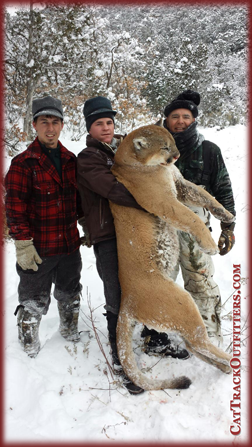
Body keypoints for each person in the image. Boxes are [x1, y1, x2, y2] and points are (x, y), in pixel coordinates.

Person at [76, 96, 188, 395]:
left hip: (138, 231)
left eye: (109, 122)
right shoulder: (89, 158)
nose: (106, 128)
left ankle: (156, 338)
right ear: (89, 127)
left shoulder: (122, 150)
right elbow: (113, 189)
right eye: (99, 123)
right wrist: (152, 202)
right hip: (109, 236)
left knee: (151, 282)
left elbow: (153, 170)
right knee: (117, 293)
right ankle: (121, 358)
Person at [5, 95, 83, 358]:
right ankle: (28, 345)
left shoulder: (71, 160)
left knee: (70, 292)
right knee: (32, 299)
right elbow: (14, 207)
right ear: (35, 125)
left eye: (55, 122)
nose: (50, 128)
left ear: (62, 125)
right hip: (39, 248)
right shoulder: (23, 163)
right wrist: (23, 244)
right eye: (44, 122)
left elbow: (80, 203)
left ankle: (70, 331)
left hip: (69, 245)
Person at [162, 89, 236, 347]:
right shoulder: (156, 150)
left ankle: (209, 337)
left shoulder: (208, 150)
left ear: (194, 120)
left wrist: (228, 226)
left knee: (201, 283)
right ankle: (162, 333)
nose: (180, 121)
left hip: (195, 231)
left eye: (186, 116)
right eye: (175, 116)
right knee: (162, 283)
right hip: (160, 230)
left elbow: (223, 189)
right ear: (166, 120)